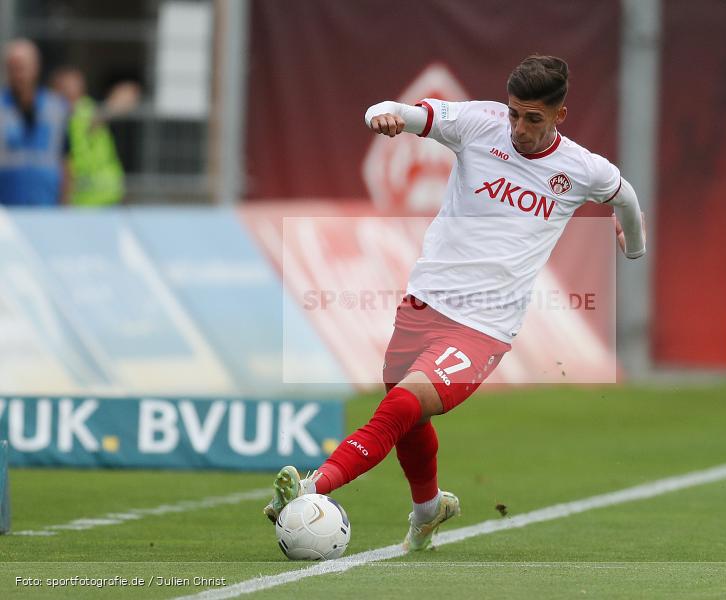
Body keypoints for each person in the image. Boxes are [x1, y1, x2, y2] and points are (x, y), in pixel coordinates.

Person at [264, 56, 646, 549]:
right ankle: (428, 510)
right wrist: (382, 116)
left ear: (559, 116)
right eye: (514, 114)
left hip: (486, 324)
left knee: (402, 403)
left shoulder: (581, 168)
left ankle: (313, 487)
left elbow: (626, 197)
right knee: (406, 414)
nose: (519, 128)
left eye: (534, 119)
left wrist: (633, 244)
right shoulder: (477, 124)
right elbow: (401, 111)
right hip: (425, 302)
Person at [51, 66, 139, 207]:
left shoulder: (86, 110)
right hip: (81, 202)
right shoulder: (56, 119)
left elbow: (129, 93)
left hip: (105, 198)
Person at [0, 39, 70, 206]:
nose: (19, 75)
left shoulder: (57, 107)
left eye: (22, 67)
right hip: (6, 209)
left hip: (46, 206)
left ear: (36, 68)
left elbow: (65, 161)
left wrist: (66, 204)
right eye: (13, 68)